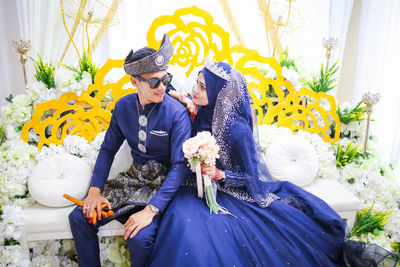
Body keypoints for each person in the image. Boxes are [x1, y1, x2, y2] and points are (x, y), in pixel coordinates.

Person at [147, 59, 348, 266]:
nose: (194, 90)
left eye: (202, 87)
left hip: (229, 193)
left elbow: (251, 177)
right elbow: (165, 86)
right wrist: (181, 97)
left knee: (215, 233)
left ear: (220, 93)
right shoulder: (197, 111)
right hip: (191, 188)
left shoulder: (238, 130)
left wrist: (219, 174)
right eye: (196, 84)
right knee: (180, 223)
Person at [68, 33, 191, 267]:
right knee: (80, 217)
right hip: (133, 180)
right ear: (135, 82)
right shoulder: (123, 106)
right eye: (154, 82)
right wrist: (94, 191)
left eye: (165, 79)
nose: (161, 87)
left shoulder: (177, 113)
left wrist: (151, 210)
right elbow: (107, 150)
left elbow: (179, 167)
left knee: (139, 237)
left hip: (163, 187)